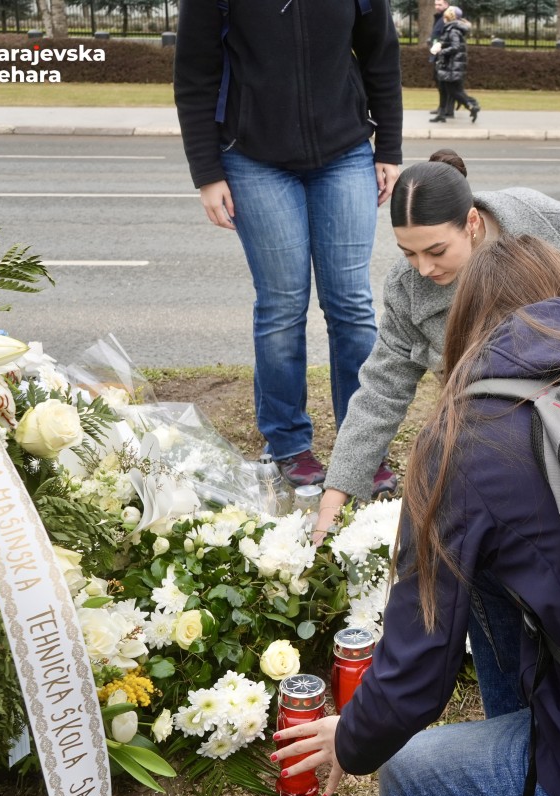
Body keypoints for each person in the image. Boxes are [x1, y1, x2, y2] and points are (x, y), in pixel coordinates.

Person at [272, 235, 560, 796]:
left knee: (411, 769)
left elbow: (418, 674)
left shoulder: (466, 443)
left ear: (464, 323)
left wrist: (352, 739)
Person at [317, 148, 560, 517]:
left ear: (471, 221)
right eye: (408, 253)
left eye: (436, 250)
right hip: (490, 430)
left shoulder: (540, 217)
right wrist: (336, 493)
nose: (423, 268)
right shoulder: (407, 288)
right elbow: (382, 388)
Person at [173, 0, 403, 487]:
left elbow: (381, 53)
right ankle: (288, 444)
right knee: (281, 305)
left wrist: (389, 148)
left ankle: (361, 444)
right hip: (253, 158)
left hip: (344, 153)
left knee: (351, 305)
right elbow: (194, 74)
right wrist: (206, 173)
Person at [430, 6, 480, 124]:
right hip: (448, 65)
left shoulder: (453, 30)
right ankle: (441, 114)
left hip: (451, 66)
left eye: (444, 17)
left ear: (447, 17)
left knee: (453, 91)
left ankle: (472, 105)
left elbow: (455, 47)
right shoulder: (450, 29)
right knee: (445, 89)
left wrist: (441, 51)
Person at [428, 0, 453, 120]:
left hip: (443, 56)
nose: (437, 7)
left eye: (440, 5)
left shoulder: (447, 18)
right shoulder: (439, 17)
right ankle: (443, 108)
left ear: (447, 5)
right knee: (440, 83)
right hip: (438, 54)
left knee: (445, 84)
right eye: (436, 4)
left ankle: (447, 109)